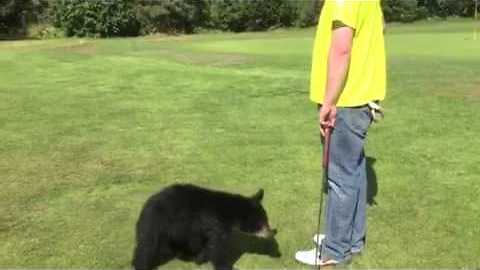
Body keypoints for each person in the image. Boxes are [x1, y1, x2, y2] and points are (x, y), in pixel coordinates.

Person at [295, 0, 386, 266]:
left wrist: (329, 102)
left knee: (340, 178)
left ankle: (334, 251)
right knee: (354, 172)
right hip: (362, 98)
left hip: (346, 102)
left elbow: (342, 49)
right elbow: (380, 28)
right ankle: (350, 240)